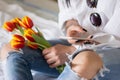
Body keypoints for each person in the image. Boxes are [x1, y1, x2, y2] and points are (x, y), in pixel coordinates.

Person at [1, 0, 120, 80]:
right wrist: (71, 25)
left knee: (86, 60)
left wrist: (71, 50)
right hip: (81, 42)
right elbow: (68, 12)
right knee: (14, 49)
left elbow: (116, 37)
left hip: (113, 47)